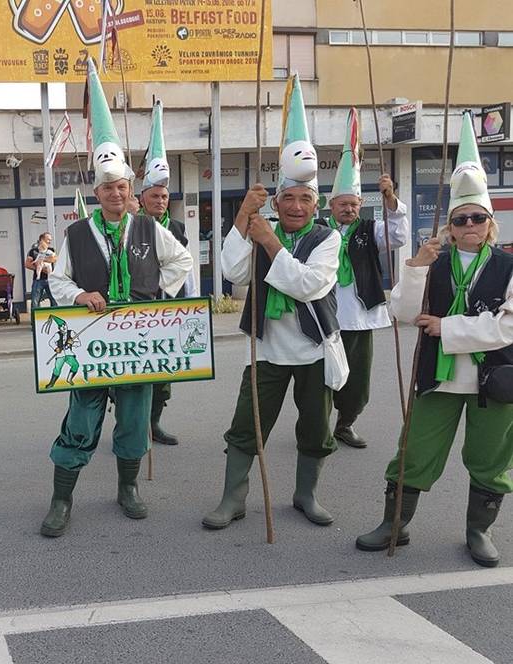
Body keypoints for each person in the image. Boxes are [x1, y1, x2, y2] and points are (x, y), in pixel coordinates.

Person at [40, 59, 192, 538]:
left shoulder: (148, 227)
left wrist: (154, 300)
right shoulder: (79, 233)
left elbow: (182, 264)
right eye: (108, 187)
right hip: (91, 343)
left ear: (131, 190)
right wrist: (81, 293)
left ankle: (128, 489)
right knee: (81, 422)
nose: (115, 193)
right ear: (98, 190)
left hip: (137, 340)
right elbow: (57, 279)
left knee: (132, 423)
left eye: (122, 187)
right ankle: (61, 499)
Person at [356, 112, 513, 567]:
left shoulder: (507, 268)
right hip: (438, 378)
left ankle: (478, 531)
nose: (469, 226)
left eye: (477, 218)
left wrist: (448, 327)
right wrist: (415, 268)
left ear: (489, 222)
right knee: (416, 450)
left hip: (494, 381)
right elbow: (402, 314)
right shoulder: (433, 261)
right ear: (450, 223)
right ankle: (395, 524)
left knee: (490, 459)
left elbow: (507, 326)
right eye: (461, 219)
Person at [202, 75, 346, 531]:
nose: (297, 206)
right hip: (266, 350)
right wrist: (245, 219)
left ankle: (306, 495)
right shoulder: (262, 228)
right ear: (278, 201)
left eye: (305, 198)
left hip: (313, 350)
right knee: (246, 425)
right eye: (289, 198)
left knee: (315, 430)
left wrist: (271, 244)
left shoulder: (328, 239)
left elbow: (310, 286)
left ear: (315, 202)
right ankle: (234, 498)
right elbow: (233, 273)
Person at [326, 108, 410, 449]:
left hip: (359, 319)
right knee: (321, 378)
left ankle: (345, 424)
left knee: (357, 381)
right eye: (343, 204)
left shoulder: (370, 229)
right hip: (325, 318)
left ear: (361, 205)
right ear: (330, 205)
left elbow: (399, 236)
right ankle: (318, 425)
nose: (349, 209)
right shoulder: (319, 233)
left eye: (354, 204)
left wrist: (391, 200)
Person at [139, 99, 197, 446]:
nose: (160, 200)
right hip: (138, 308)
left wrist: (189, 302)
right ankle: (135, 424)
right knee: (136, 371)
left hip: (167, 307)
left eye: (164, 195)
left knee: (163, 374)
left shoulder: (176, 227)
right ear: (142, 197)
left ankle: (154, 422)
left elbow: (185, 266)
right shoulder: (132, 226)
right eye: (154, 195)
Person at [25, 232, 57, 308]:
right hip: (38, 280)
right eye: (48, 240)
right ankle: (36, 319)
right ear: (42, 240)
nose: (49, 242)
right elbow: (27, 264)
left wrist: (41, 259)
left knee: (54, 300)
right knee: (35, 301)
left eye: (50, 240)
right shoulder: (33, 251)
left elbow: (55, 259)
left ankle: (55, 317)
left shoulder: (51, 249)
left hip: (50, 280)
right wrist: (41, 269)